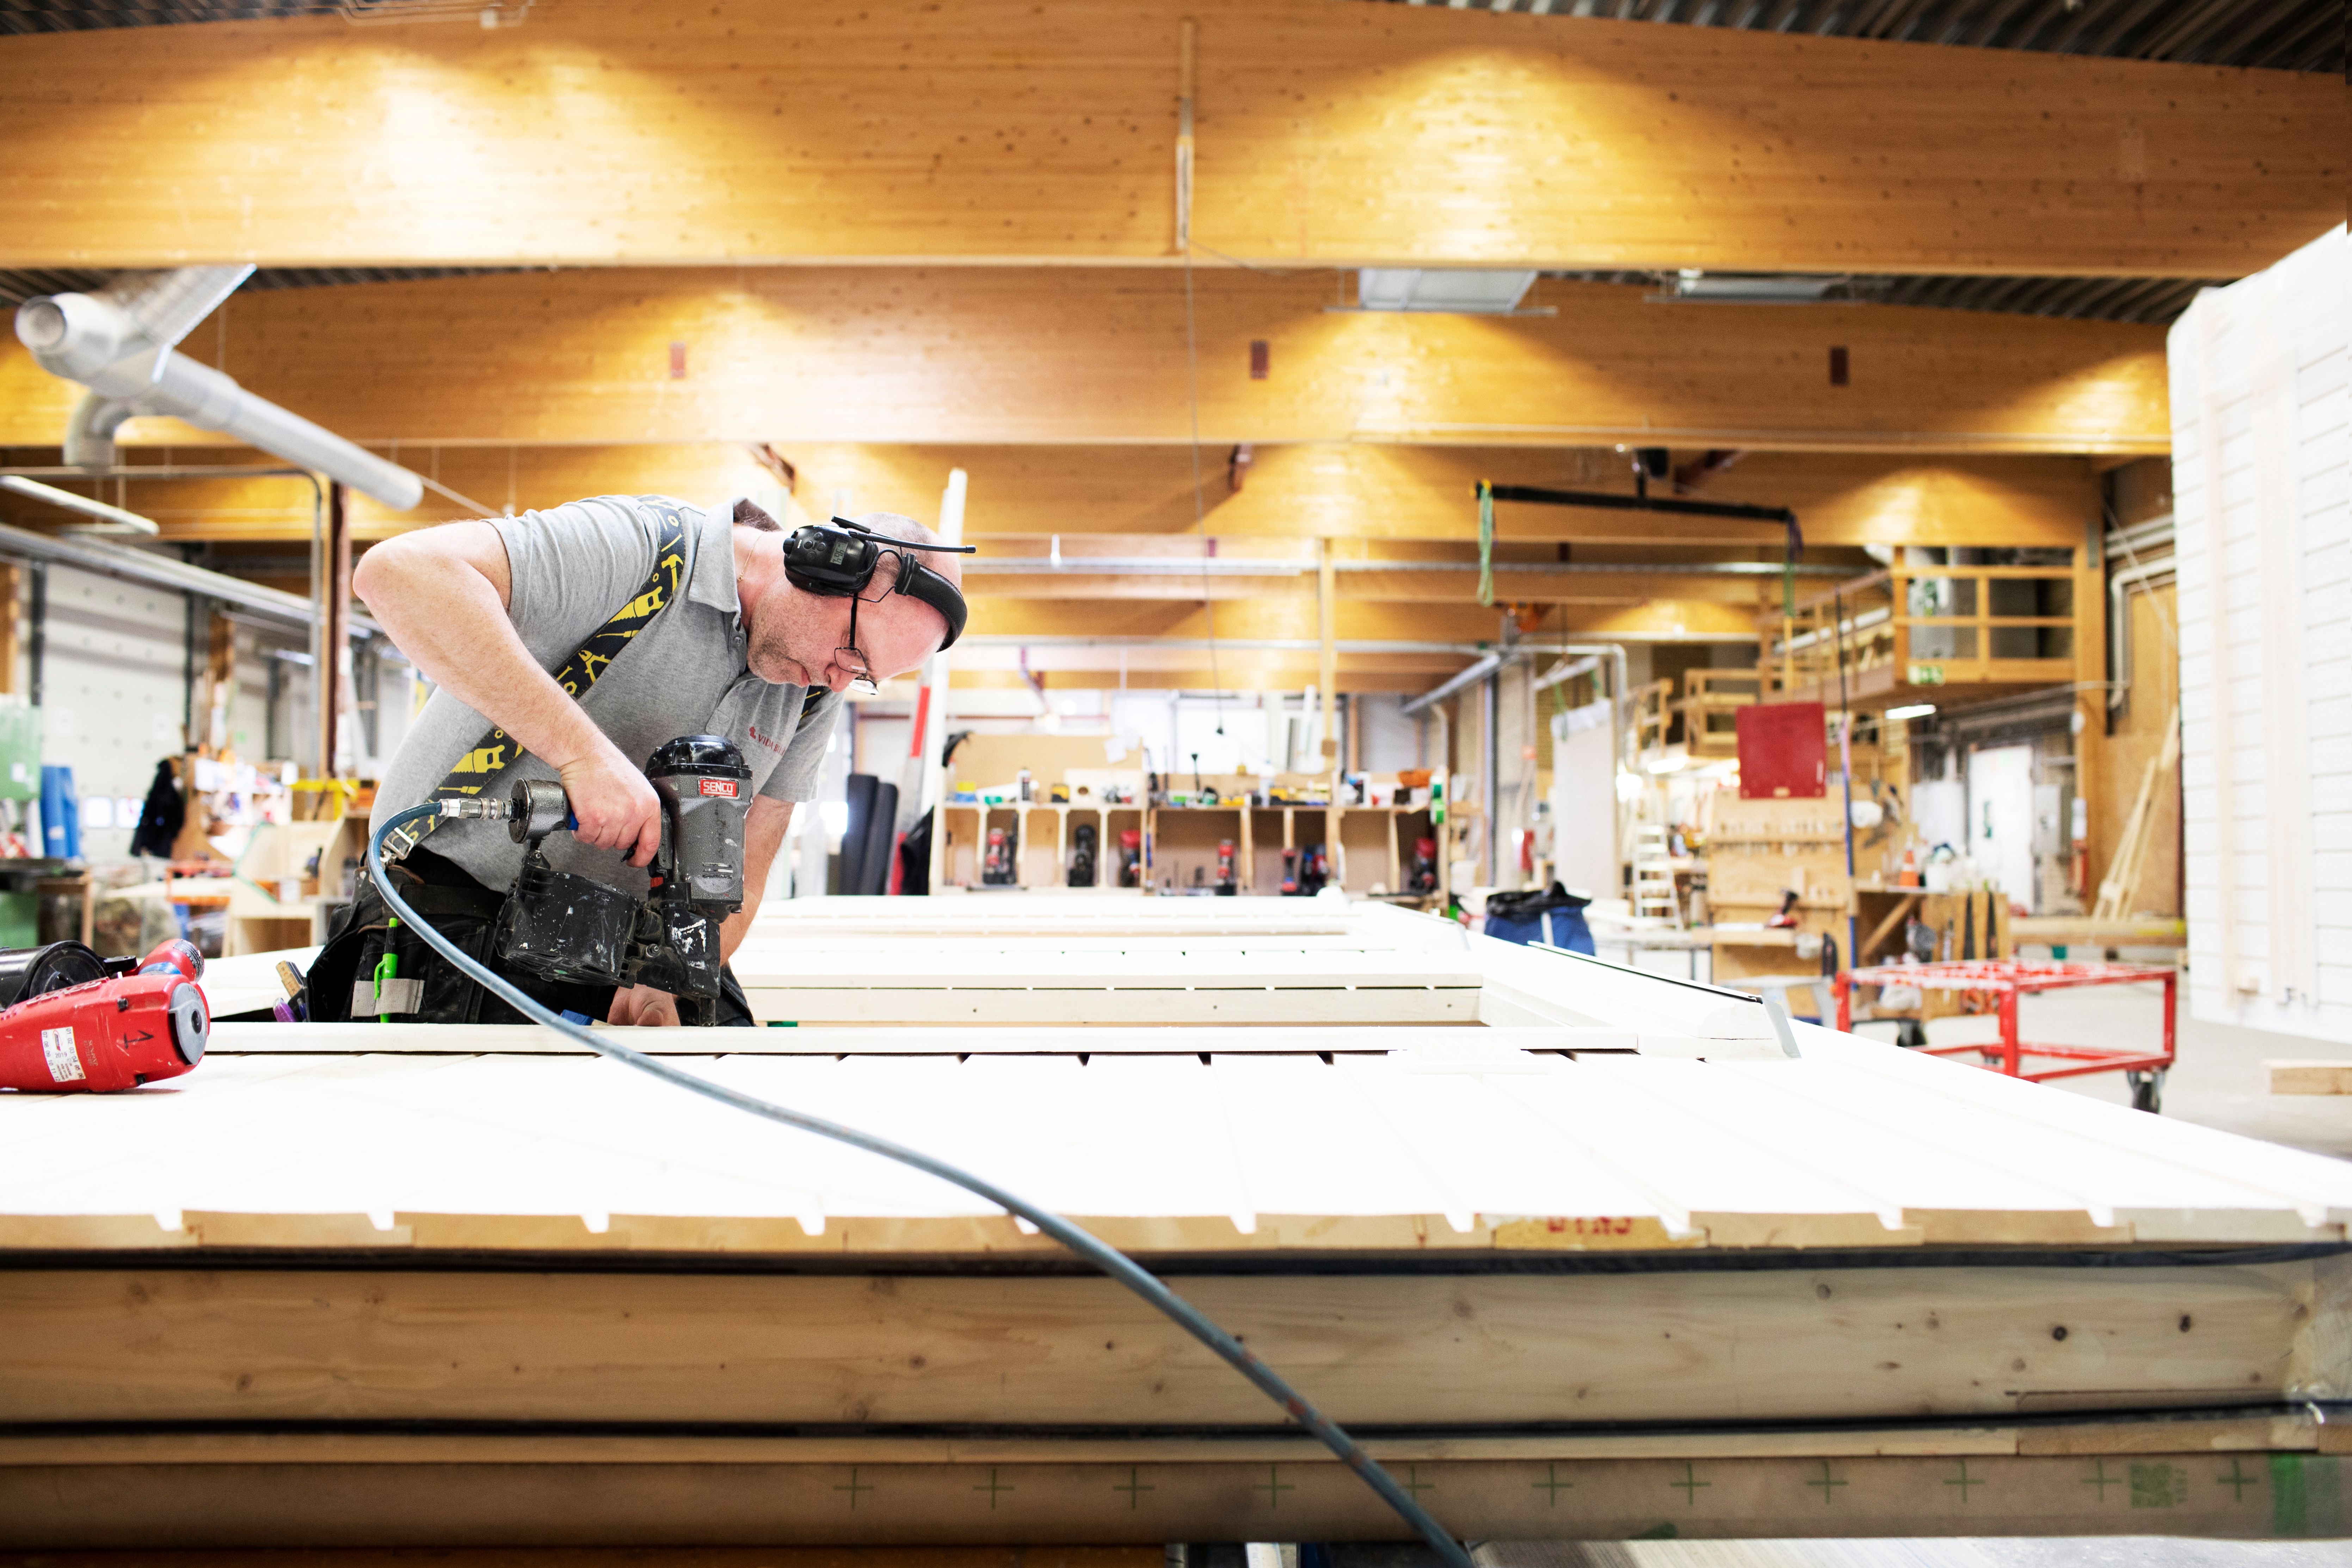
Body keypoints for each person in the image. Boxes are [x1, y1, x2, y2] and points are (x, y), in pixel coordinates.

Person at [306, 493, 963, 1026]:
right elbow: (397, 572)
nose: (842, 680)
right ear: (821, 563)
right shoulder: (646, 550)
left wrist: (667, 983)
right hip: (452, 919)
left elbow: (747, 875)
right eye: (852, 650)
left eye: (867, 674)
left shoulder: (810, 687)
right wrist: (582, 754)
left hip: (627, 950)